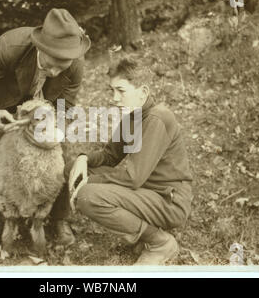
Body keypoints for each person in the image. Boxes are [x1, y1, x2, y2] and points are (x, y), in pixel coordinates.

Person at [0, 8, 91, 265]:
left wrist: (57, 129)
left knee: (58, 153)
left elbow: (67, 103)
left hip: (47, 111)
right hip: (4, 107)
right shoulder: (9, 45)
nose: (55, 71)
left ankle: (58, 219)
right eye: (50, 61)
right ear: (38, 46)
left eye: (62, 63)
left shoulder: (75, 61)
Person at [68, 58, 193, 265]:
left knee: (88, 195)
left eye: (121, 91)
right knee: (73, 170)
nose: (115, 98)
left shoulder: (157, 118)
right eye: (112, 91)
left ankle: (159, 243)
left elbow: (133, 178)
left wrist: (90, 183)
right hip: (146, 192)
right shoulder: (132, 117)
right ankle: (141, 232)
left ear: (143, 92)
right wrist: (83, 159)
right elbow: (110, 155)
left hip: (168, 200)